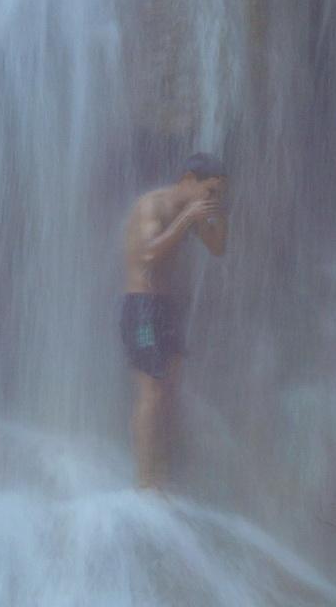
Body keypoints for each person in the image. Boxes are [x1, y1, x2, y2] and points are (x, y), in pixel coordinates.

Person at [121, 152, 228, 488]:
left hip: (168, 309)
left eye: (218, 193)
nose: (212, 198)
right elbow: (147, 254)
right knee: (151, 391)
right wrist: (186, 221)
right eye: (210, 191)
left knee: (169, 394)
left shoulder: (191, 212)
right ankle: (144, 480)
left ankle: (162, 474)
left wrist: (219, 215)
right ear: (188, 180)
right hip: (142, 309)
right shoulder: (153, 206)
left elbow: (218, 248)